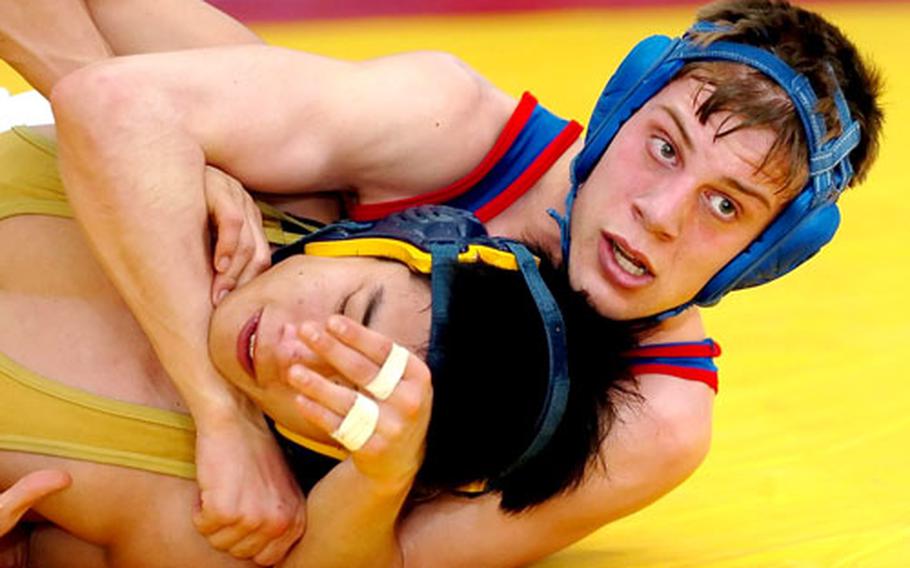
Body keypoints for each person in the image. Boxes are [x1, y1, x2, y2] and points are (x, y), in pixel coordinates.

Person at [2, 0, 885, 565]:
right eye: (662, 146)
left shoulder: (657, 418)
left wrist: (382, 479)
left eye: (725, 208)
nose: (660, 213)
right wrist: (221, 411)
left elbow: (391, 564)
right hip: (176, 315)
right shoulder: (451, 125)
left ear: (772, 255)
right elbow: (119, 109)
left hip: (162, 464)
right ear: (618, 111)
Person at [0, 122, 643, 566]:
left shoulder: (198, 517)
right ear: (368, 240)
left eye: (338, 398)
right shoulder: (260, 164)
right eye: (350, 307)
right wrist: (176, 147)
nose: (290, 349)